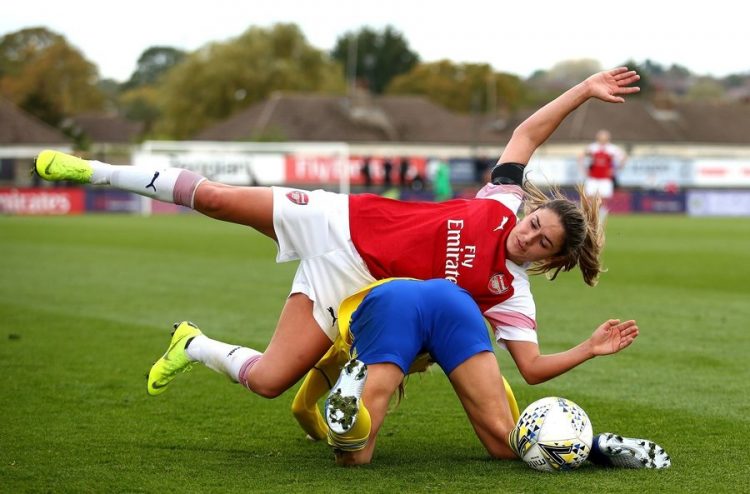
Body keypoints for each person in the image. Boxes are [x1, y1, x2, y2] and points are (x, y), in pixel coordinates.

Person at [33, 67, 640, 405]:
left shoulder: (510, 295)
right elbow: (528, 134)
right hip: (339, 219)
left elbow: (529, 369)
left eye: (541, 244)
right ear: (530, 212)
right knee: (216, 198)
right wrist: (585, 91)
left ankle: (190, 345)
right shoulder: (502, 201)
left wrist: (587, 349)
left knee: (271, 382)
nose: (528, 237)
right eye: (535, 224)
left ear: (552, 260)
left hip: (349, 286)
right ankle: (95, 169)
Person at [291, 278, 668, 468]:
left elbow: (301, 408)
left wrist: (318, 432)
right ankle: (593, 447)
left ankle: (348, 416)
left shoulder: (342, 342)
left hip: (391, 307)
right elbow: (500, 389)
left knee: (355, 455)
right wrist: (513, 425)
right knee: (507, 446)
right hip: (454, 301)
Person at [579, 129, 627, 219]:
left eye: (604, 137)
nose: (603, 139)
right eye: (601, 137)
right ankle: (588, 217)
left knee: (603, 200)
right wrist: (583, 170)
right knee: (588, 198)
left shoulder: (612, 149)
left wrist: (616, 170)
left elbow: (623, 157)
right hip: (593, 178)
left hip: (605, 179)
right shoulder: (592, 148)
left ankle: (600, 219)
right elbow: (581, 156)